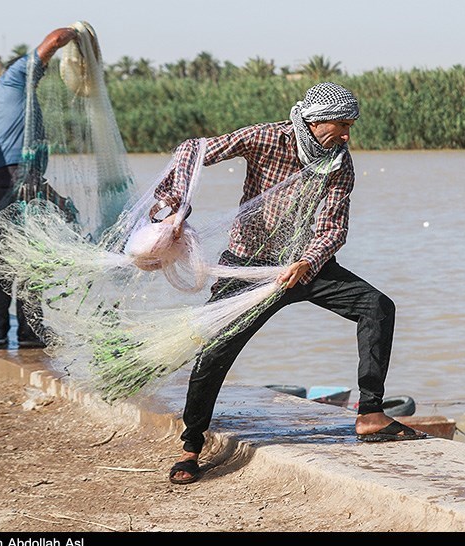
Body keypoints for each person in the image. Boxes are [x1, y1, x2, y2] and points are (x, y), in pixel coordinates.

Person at [159, 82, 427, 485]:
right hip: (250, 268)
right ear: (316, 121)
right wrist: (176, 206)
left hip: (304, 267)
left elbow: (333, 228)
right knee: (214, 354)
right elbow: (192, 151)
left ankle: (371, 413)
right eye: (342, 125)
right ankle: (191, 448)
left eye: (350, 127)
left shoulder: (339, 162)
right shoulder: (267, 137)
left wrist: (307, 261)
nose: (347, 135)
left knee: (376, 306)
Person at [0, 27, 77, 348]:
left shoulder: (23, 100)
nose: (42, 74)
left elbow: (31, 174)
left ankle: (6, 330)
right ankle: (22, 331)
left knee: (12, 255)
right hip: (8, 180)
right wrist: (78, 33)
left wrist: (57, 199)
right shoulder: (13, 79)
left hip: (14, 179)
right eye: (40, 70)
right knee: (21, 255)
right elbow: (54, 40)